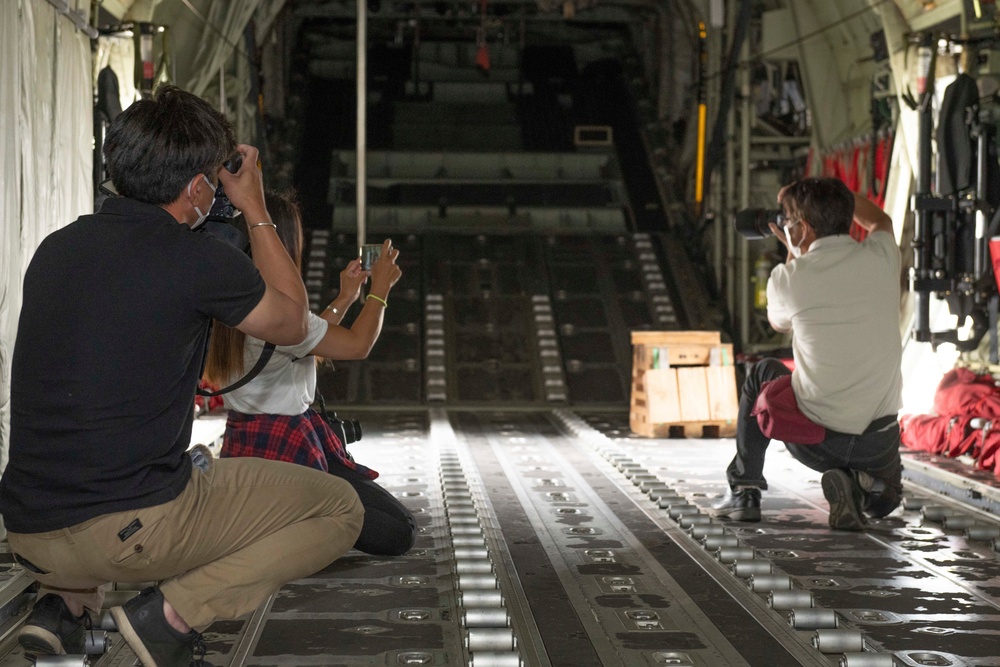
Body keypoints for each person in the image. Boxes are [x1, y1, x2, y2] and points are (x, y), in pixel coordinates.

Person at [0, 85, 363, 667]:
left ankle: (63, 608)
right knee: (339, 509)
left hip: (28, 531)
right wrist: (255, 208)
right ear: (197, 187)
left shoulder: (56, 248)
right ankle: (168, 618)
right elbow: (294, 323)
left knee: (108, 460)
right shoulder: (198, 260)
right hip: (131, 533)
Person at [203, 192, 415, 557]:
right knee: (397, 531)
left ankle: (276, 520)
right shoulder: (274, 317)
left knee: (393, 520)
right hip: (287, 448)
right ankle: (287, 525)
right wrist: (379, 292)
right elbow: (356, 346)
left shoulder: (232, 304)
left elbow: (304, 345)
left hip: (253, 441)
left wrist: (346, 297)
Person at [712, 177, 903, 530]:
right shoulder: (883, 257)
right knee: (890, 495)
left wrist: (792, 248)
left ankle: (744, 490)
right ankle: (867, 486)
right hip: (878, 443)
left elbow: (779, 323)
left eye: (788, 219)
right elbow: (880, 221)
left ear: (802, 228)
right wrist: (835, 197)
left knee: (762, 371)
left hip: (816, 442)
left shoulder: (787, 278)